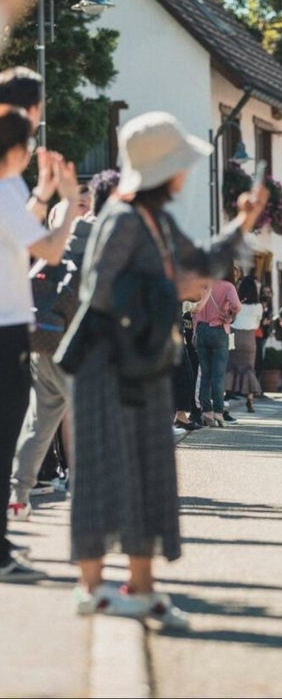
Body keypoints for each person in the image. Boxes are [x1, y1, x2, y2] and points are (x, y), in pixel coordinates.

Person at [66, 111, 267, 622]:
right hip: (107, 364)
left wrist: (243, 223)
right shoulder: (122, 218)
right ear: (163, 170)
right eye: (180, 163)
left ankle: (142, 585)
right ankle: (92, 589)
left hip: (143, 363)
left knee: (150, 474)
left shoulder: (155, 220)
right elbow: (101, 291)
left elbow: (199, 260)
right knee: (102, 475)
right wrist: (167, 288)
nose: (185, 174)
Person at [8, 169, 121, 520]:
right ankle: (92, 499)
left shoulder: (65, 234)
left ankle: (18, 495)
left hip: (45, 335)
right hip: (82, 346)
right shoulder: (109, 236)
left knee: (40, 421)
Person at [0, 107, 80, 583]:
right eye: (28, 142)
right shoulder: (6, 185)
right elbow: (48, 250)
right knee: (6, 434)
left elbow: (21, 228)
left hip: (13, 322)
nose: (32, 152)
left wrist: (45, 194)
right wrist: (69, 203)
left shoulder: (10, 188)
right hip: (7, 324)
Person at [193, 275, 241, 427]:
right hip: (219, 330)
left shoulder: (200, 283)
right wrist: (230, 317)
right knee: (218, 375)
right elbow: (237, 305)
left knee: (205, 374)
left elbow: (194, 310)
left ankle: (206, 411)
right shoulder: (227, 286)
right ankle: (219, 413)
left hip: (201, 330)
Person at [226, 274, 263, 413]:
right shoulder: (258, 306)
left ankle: (227, 395)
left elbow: (231, 318)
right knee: (248, 368)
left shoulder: (237, 303)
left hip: (234, 334)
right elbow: (258, 323)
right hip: (249, 337)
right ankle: (249, 399)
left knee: (231, 366)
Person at [255, 284, 273, 381]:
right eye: (264, 292)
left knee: (261, 358)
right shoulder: (258, 303)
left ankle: (258, 383)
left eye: (268, 292)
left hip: (264, 334)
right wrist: (263, 322)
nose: (266, 294)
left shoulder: (270, 305)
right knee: (257, 359)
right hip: (256, 333)